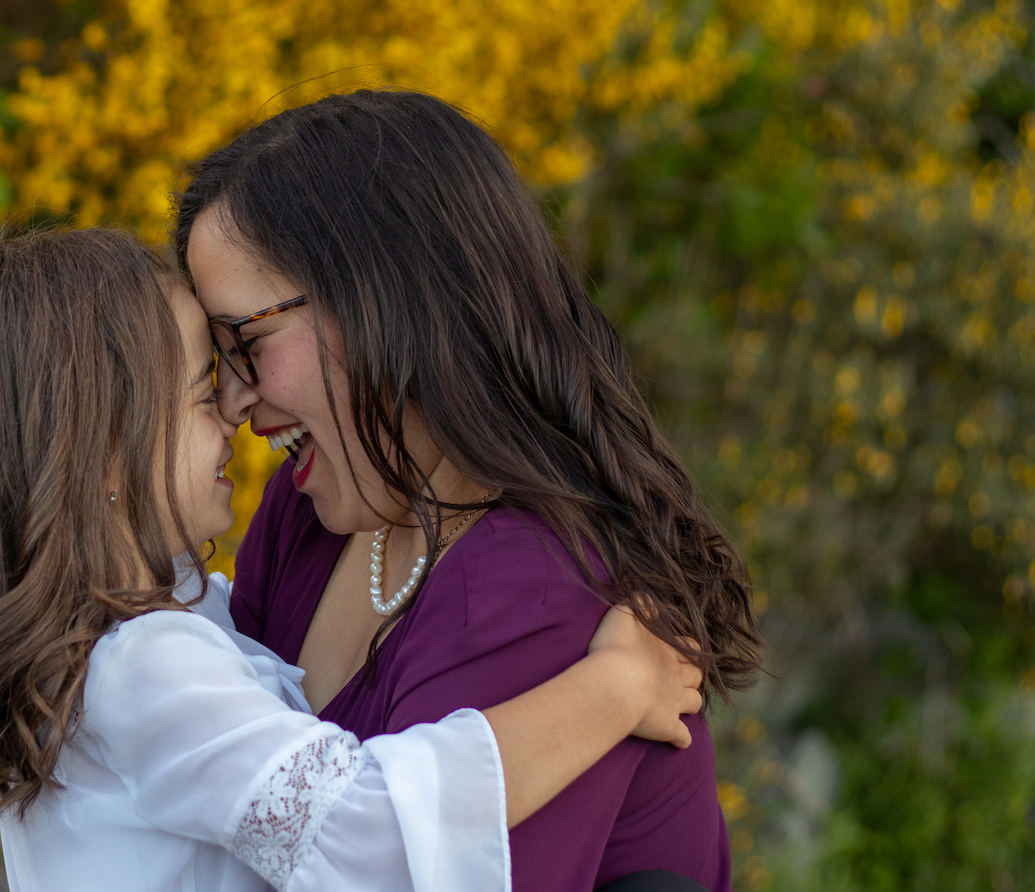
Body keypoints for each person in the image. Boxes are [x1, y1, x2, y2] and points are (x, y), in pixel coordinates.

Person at [0, 228, 705, 892]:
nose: (235, 409)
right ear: (101, 459)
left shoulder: (128, 640)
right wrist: (615, 690)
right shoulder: (142, 668)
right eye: (203, 390)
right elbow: (365, 834)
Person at [174, 89, 765, 892]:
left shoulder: (537, 585)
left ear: (387, 296)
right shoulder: (308, 514)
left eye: (245, 342)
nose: (236, 401)